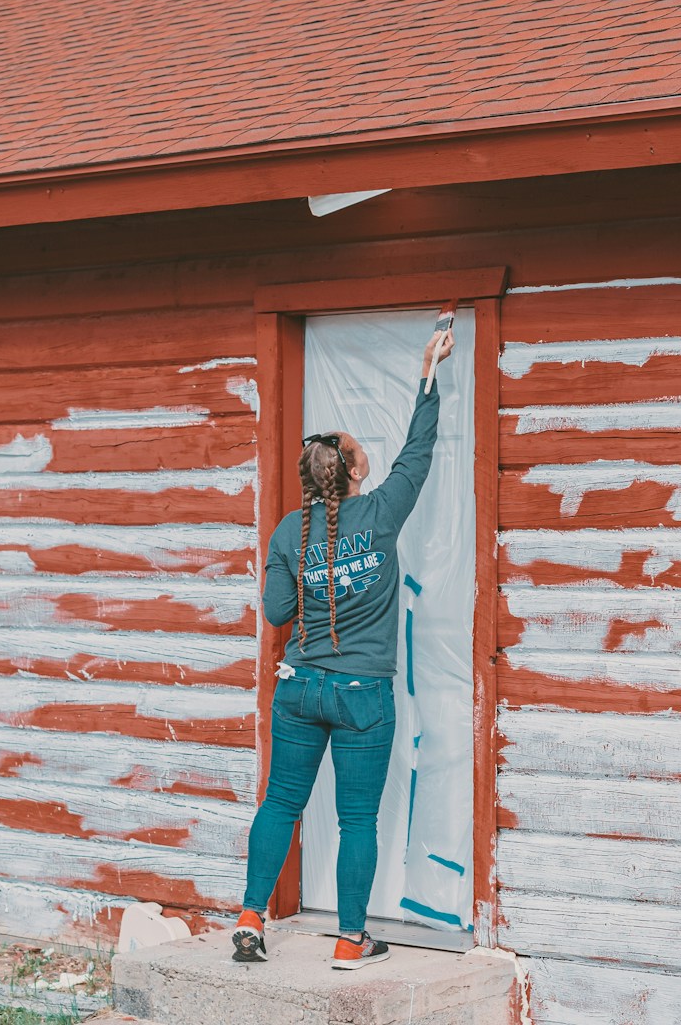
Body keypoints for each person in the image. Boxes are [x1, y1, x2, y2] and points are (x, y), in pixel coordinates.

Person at [231, 321, 455, 969]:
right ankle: (351, 940)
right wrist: (427, 374)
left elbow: (276, 611)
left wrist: (308, 579)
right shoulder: (382, 512)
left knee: (281, 803)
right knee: (357, 821)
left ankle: (250, 918)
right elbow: (419, 451)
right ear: (357, 472)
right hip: (363, 695)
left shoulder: (286, 532)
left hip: (299, 688)